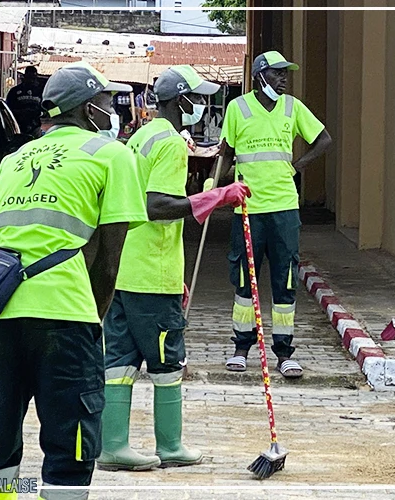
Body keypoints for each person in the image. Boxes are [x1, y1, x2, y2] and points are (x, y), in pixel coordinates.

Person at [0, 62, 146, 500]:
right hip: (66, 319)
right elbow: (108, 260)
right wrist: (94, 322)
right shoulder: (112, 155)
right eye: (108, 103)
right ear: (89, 109)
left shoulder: (10, 162)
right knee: (69, 449)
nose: (113, 111)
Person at [97, 65, 248, 471]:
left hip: (123, 270)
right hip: (151, 274)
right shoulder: (170, 143)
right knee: (167, 362)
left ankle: (112, 446)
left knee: (119, 361)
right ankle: (170, 446)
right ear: (180, 100)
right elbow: (157, 206)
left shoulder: (140, 136)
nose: (200, 104)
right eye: (196, 97)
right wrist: (215, 198)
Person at [216, 50, 332, 378]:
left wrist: (298, 167)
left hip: (283, 208)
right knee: (243, 278)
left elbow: (324, 140)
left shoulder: (292, 107)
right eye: (278, 73)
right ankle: (242, 347)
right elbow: (226, 153)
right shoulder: (237, 108)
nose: (284, 79)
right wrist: (215, 191)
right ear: (260, 76)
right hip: (248, 209)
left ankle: (283, 352)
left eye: (285, 74)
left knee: (286, 280)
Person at [7, 66, 45, 139]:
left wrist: (38, 113)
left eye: (33, 78)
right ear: (24, 77)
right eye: (29, 78)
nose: (31, 81)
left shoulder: (40, 92)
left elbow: (45, 108)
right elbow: (8, 109)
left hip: (36, 126)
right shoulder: (14, 91)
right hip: (18, 127)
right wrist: (22, 112)